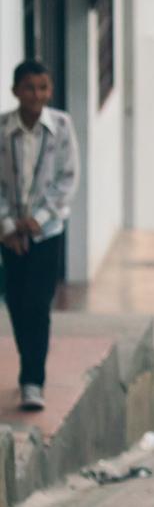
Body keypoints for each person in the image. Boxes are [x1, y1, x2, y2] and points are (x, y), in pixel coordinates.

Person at [1, 60, 78, 413]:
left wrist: (39, 220)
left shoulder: (62, 126)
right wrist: (8, 226)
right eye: (30, 87)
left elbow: (67, 177)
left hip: (47, 233)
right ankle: (27, 362)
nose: (37, 95)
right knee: (16, 302)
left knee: (38, 303)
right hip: (9, 234)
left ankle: (33, 380)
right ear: (16, 90)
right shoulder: (3, 130)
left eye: (43, 88)